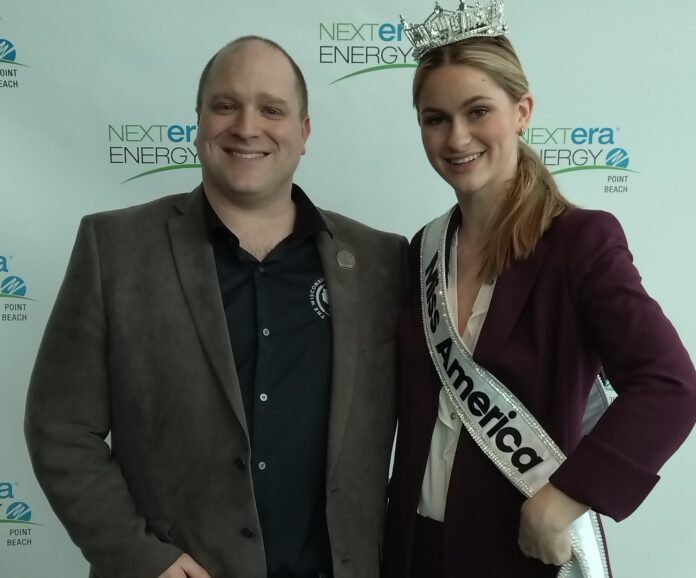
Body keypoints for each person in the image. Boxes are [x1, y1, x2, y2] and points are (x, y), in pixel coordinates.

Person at [25, 36, 407, 578]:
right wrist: (141, 558)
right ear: (199, 121)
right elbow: (60, 429)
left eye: (271, 109)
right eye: (226, 105)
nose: (247, 127)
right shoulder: (113, 248)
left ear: (304, 133)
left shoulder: (381, 261)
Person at [382, 2, 696, 577]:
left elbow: (670, 385)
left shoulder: (579, 241)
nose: (457, 137)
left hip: (516, 552)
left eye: (478, 111)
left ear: (522, 111)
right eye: (435, 118)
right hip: (413, 550)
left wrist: (565, 501)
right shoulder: (424, 249)